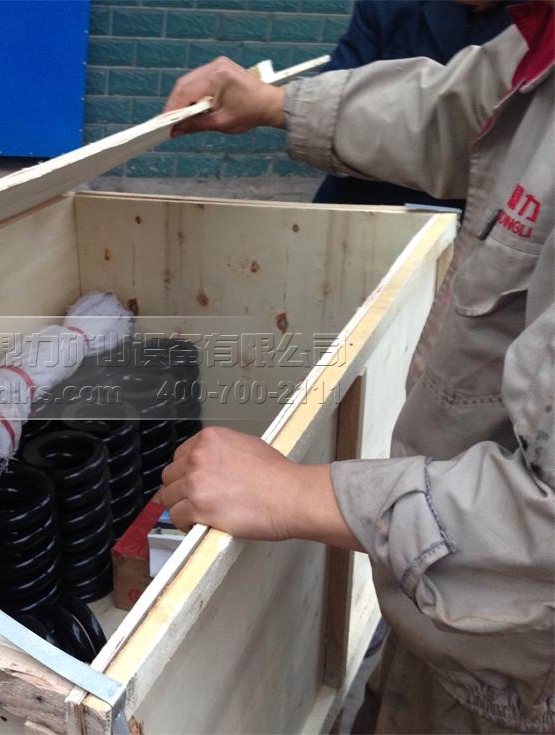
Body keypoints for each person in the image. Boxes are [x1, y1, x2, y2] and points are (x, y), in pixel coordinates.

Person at [159, 2, 553, 732]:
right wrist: (277, 104)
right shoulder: (541, 45)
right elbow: (454, 112)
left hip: (520, 683)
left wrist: (298, 491)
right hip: (441, 612)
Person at [314, 0, 512, 207]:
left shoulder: (529, 28)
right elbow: (333, 102)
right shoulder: (388, 6)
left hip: (484, 207)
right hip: (371, 197)